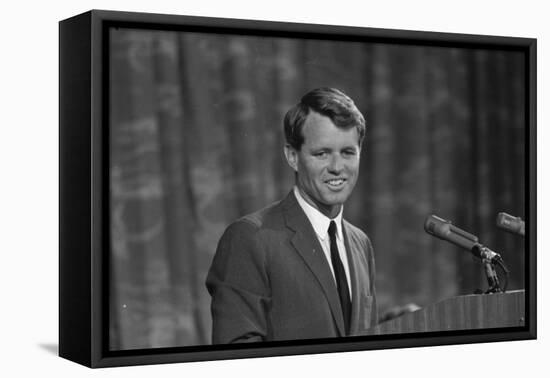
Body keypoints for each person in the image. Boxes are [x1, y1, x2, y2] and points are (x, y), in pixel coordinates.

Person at [206, 87, 377, 344]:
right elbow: (237, 356)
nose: (337, 167)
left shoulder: (361, 243)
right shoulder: (251, 237)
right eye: (322, 153)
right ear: (292, 157)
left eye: (348, 152)